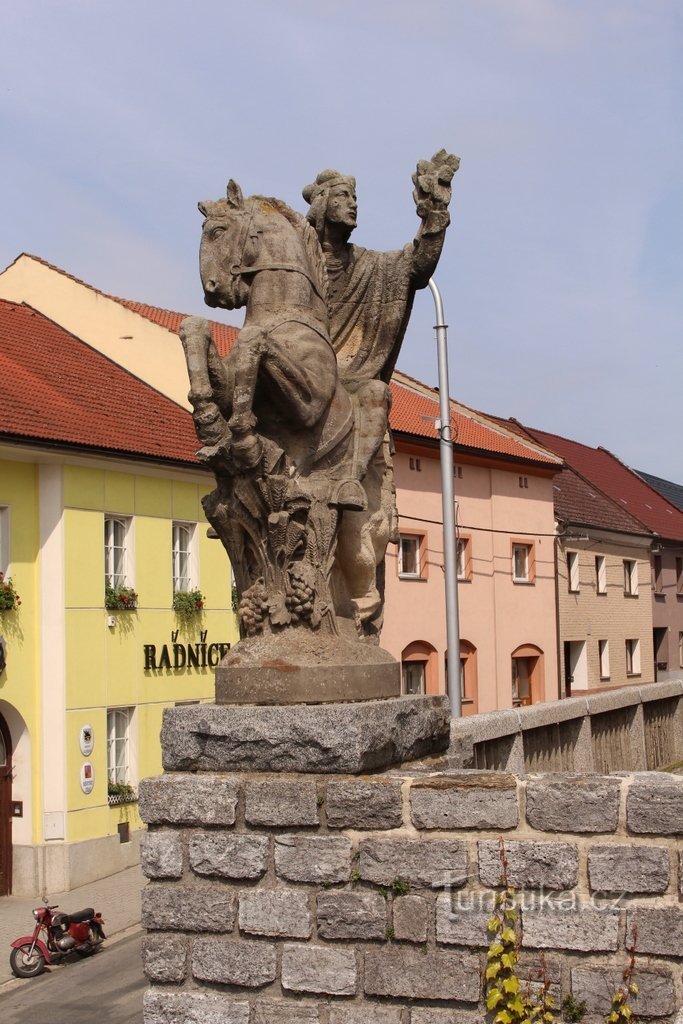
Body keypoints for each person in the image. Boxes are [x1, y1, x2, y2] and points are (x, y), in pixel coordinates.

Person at [302, 151, 459, 637]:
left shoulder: (371, 267)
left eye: (355, 197)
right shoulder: (295, 263)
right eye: (343, 196)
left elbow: (415, 264)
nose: (352, 204)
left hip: (349, 384)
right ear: (321, 203)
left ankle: (351, 478)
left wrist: (434, 211)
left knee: (373, 391)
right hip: (305, 379)